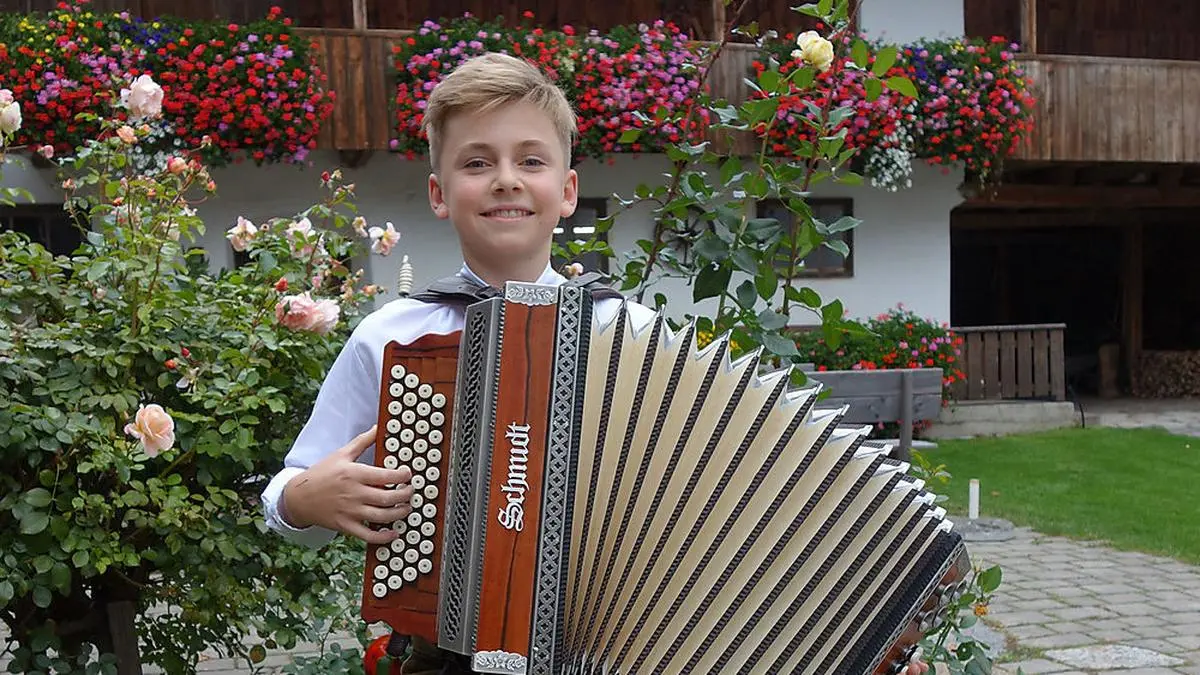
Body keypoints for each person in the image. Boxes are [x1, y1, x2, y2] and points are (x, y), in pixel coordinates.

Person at [260, 52, 929, 675]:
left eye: (531, 160)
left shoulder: (628, 334)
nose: (506, 179)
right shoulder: (395, 337)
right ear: (439, 193)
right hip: (446, 652)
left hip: (621, 646)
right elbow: (290, 487)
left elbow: (728, 502)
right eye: (477, 162)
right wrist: (304, 498)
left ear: (568, 189)